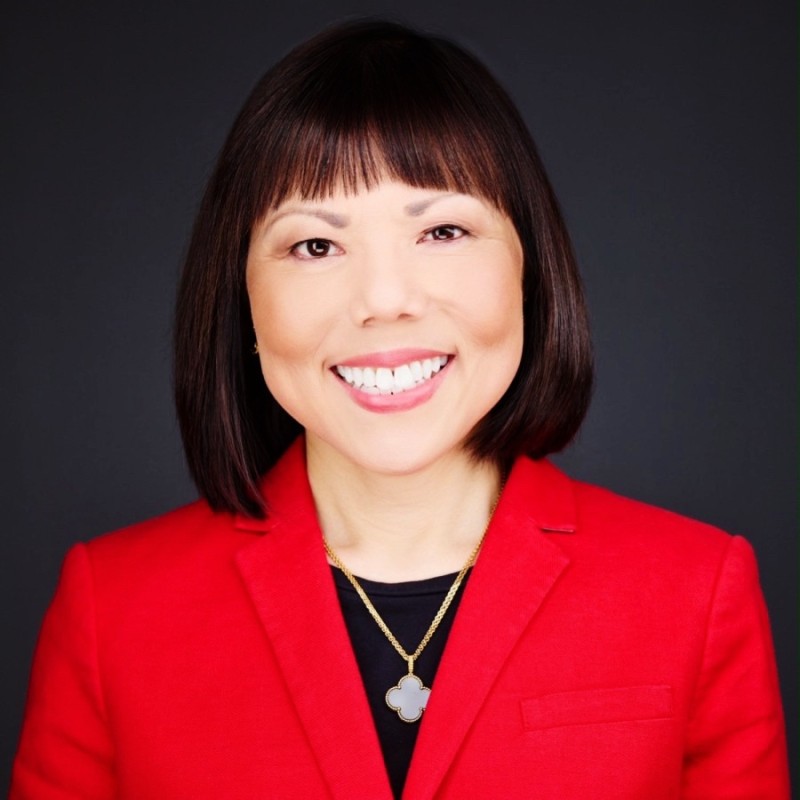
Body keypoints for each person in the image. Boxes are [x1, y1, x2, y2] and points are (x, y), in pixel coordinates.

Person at [11, 19, 789, 800]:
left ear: (530, 268)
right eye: (315, 246)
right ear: (242, 298)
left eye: (443, 230)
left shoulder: (696, 588)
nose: (385, 301)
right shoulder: (112, 612)